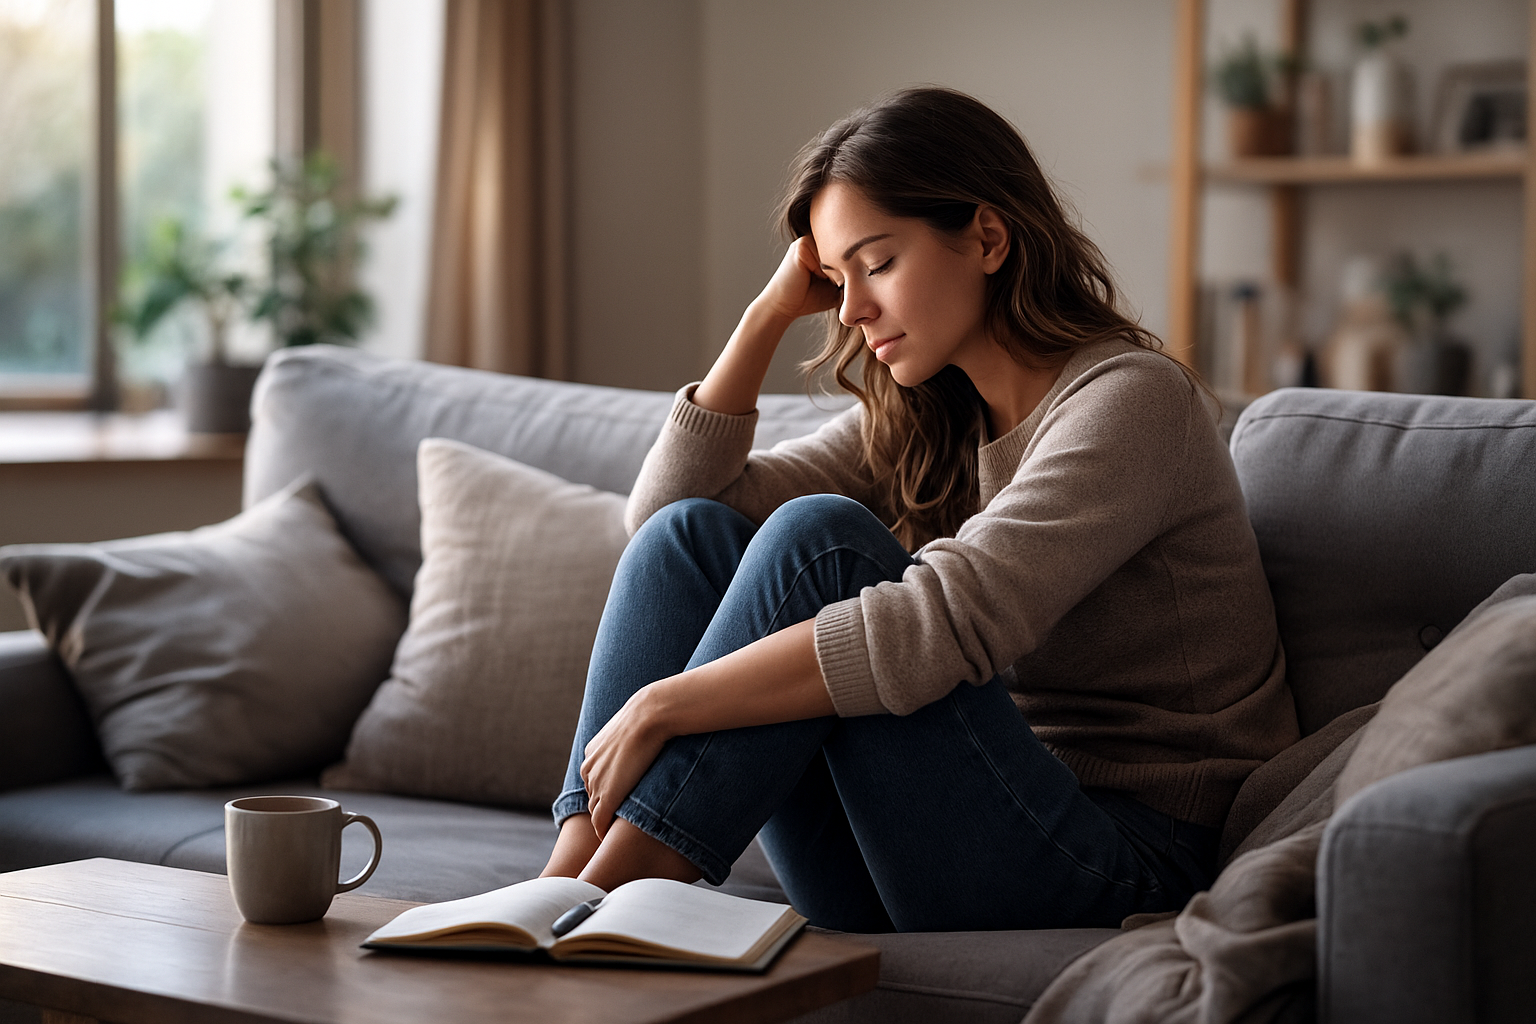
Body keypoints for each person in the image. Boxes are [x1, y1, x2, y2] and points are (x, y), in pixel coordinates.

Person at [539, 87, 1297, 933]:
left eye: (878, 263)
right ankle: (561, 885)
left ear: (987, 237)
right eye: (834, 279)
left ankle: (604, 900)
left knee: (821, 543)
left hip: (1122, 860)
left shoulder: (1133, 402)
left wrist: (662, 703)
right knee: (696, 537)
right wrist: (765, 316)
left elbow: (948, 619)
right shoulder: (932, 413)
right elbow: (664, 525)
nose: (854, 312)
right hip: (921, 838)